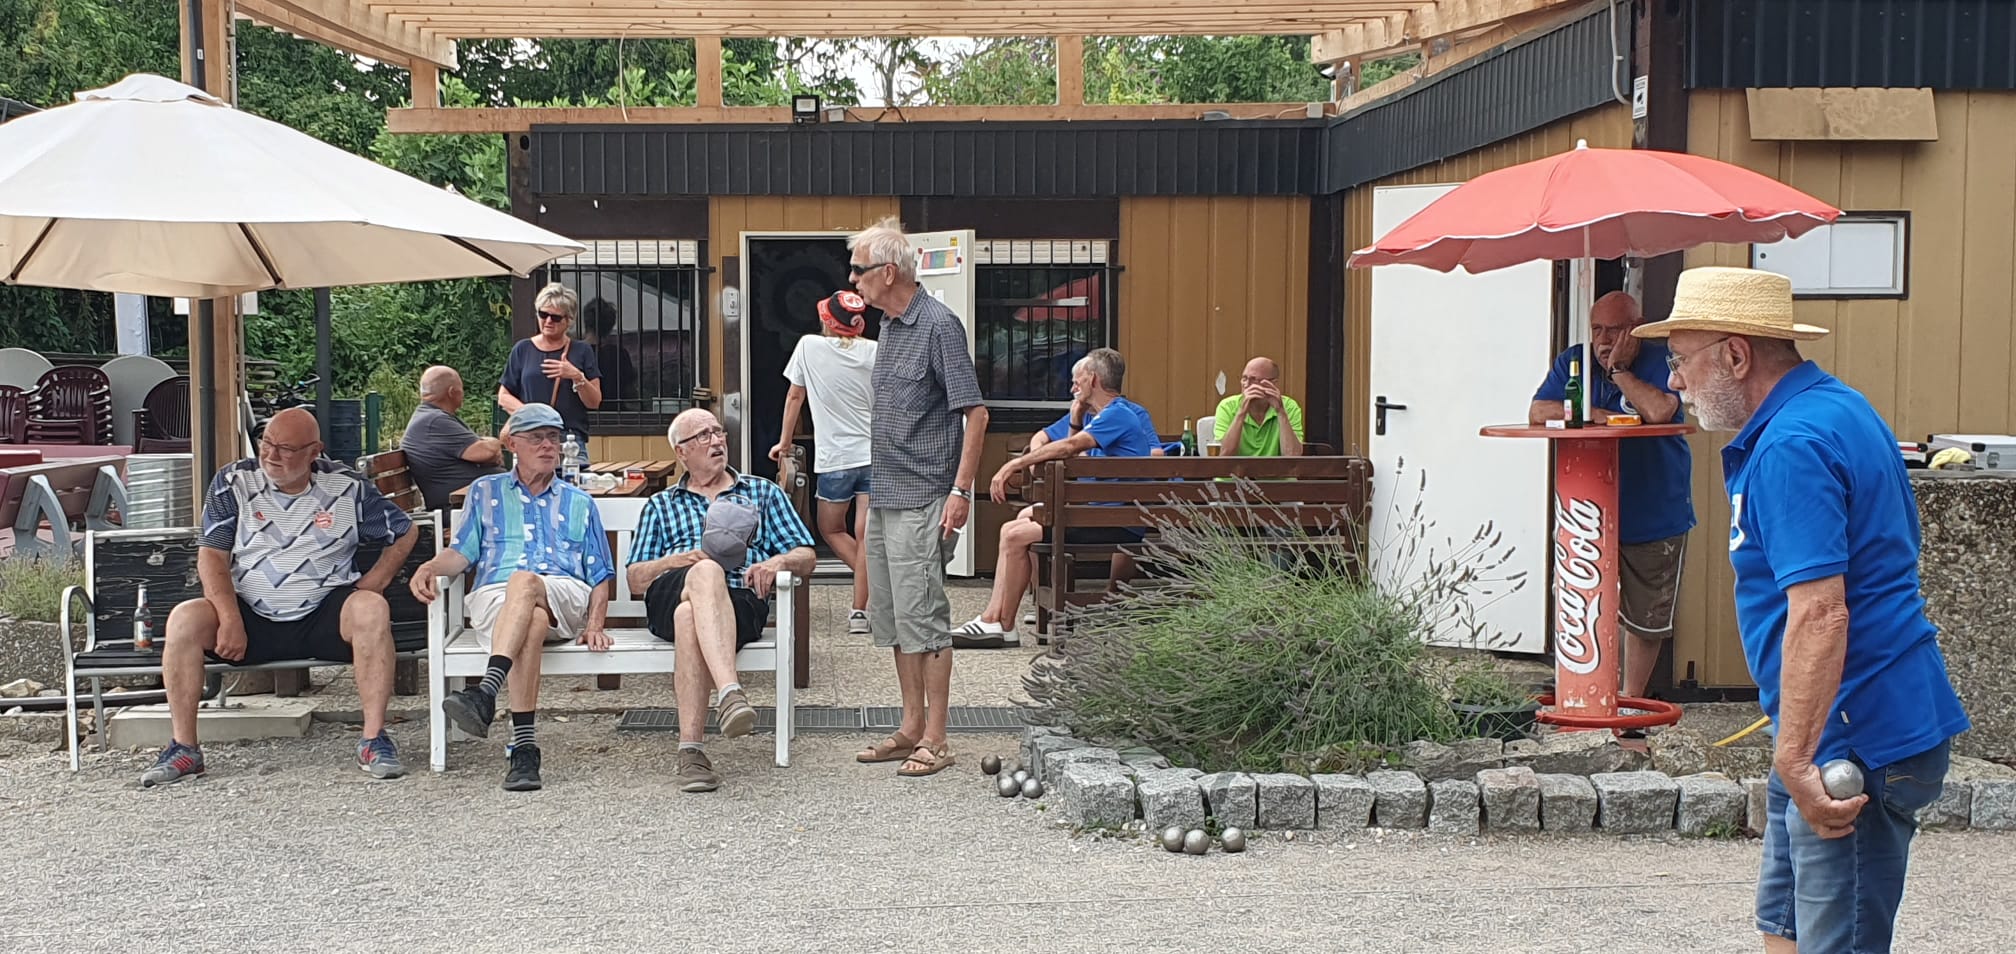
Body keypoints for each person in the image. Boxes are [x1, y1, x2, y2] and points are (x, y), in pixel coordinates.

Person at [1634, 266, 1969, 954]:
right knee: (1782, 927)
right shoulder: (1836, 406)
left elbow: (1821, 615)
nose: (1675, 381)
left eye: (1680, 359)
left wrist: (1793, 756)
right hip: (1830, 723)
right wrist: (1795, 748)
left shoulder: (1791, 444)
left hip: (1851, 730)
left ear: (1736, 355)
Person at [141, 408, 417, 786]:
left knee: (371, 608)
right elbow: (212, 556)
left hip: (324, 611)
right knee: (184, 619)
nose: (270, 455)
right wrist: (229, 617)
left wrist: (376, 580)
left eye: (285, 449)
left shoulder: (347, 487)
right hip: (248, 615)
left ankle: (373, 740)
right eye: (266, 443)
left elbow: (404, 530)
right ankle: (184, 748)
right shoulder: (234, 480)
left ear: (314, 451)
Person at [409, 403, 615, 792]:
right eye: (536, 438)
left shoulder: (579, 501)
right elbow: (462, 553)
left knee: (524, 582)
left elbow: (600, 572)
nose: (548, 445)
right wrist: (429, 567)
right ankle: (524, 749)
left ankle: (486, 690)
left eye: (553, 437)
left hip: (562, 595)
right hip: (496, 599)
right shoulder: (485, 492)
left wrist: (595, 624)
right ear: (512, 445)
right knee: (530, 621)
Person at [847, 215, 988, 778]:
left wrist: (960, 491)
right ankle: (910, 728)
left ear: (887, 272)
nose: (852, 279)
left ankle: (937, 738)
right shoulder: (889, 325)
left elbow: (975, 414)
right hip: (885, 494)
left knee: (925, 619)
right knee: (894, 620)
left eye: (858, 269)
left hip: (925, 496)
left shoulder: (938, 326)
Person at [628, 409, 816, 792]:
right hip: (670, 591)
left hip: (739, 602)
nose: (716, 441)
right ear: (681, 452)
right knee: (704, 572)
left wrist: (777, 562)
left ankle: (691, 753)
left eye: (718, 432)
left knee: (689, 617)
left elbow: (807, 556)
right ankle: (730, 692)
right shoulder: (661, 504)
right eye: (703, 436)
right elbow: (635, 578)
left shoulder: (762, 493)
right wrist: (678, 561)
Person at [1527, 290, 1695, 702]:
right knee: (1584, 601)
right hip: (1588, 514)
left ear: (1636, 330)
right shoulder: (1575, 360)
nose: (1603, 340)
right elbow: (1538, 411)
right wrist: (1595, 414)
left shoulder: (1661, 359)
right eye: (1597, 329)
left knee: (1646, 617)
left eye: (1615, 330)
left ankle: (1629, 703)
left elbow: (1659, 411)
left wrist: (1619, 371)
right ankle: (1584, 694)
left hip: (1654, 508)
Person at [954, 349, 1156, 648]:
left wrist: (1014, 464)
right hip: (1100, 515)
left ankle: (999, 622)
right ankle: (997, 621)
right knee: (1016, 525)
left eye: (1077, 380)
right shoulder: (1106, 415)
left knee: (1013, 534)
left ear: (1093, 380)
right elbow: (1071, 447)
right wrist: (1075, 417)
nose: (1072, 387)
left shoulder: (1117, 414)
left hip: (1111, 523)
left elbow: (1068, 448)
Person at [769, 290, 878, 637]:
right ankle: (862, 609)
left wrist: (784, 442)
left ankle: (872, 594)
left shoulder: (808, 346)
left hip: (835, 459)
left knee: (830, 529)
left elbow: (795, 396)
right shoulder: (876, 351)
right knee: (866, 535)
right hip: (875, 455)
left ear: (827, 321)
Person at [498, 282, 601, 469]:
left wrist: (577, 376)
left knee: (572, 486)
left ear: (569, 320)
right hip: (530, 436)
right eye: (543, 314)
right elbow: (504, 396)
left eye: (555, 317)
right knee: (527, 486)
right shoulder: (523, 349)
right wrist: (532, 414)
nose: (548, 321)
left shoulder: (581, 351)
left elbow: (594, 402)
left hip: (568, 440)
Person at [401, 366, 505, 512]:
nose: (463, 393)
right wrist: (495, 444)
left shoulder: (431, 418)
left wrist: (488, 451)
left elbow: (481, 451)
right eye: (461, 388)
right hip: (460, 507)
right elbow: (485, 452)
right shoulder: (435, 421)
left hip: (475, 499)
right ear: (452, 392)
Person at [1214, 356, 1305, 457]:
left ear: (1272, 384)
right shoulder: (1227, 406)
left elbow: (1293, 456)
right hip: (1237, 467)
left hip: (1275, 467)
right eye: (1244, 378)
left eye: (1254, 379)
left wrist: (1281, 412)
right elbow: (1224, 456)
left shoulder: (1289, 406)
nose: (1246, 385)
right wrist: (1241, 413)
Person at [582, 297, 638, 402]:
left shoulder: (576, 352)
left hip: (584, 410)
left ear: (585, 322)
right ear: (610, 326)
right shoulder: (619, 355)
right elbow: (630, 391)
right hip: (615, 410)